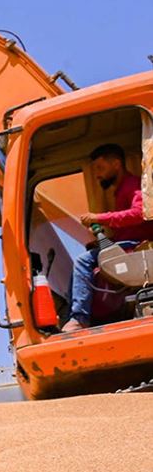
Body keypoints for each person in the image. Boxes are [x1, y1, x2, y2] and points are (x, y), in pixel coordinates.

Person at [64, 143, 153, 333]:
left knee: (82, 262)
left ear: (116, 164)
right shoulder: (121, 190)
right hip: (127, 244)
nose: (97, 174)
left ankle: (79, 317)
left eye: (100, 168)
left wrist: (99, 217)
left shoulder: (133, 185)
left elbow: (140, 213)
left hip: (136, 246)